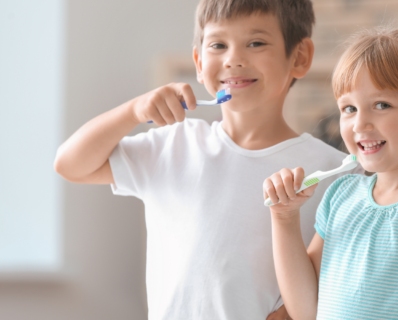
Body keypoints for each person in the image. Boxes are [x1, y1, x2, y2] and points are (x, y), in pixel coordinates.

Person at [54, 0, 361, 319]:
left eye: (255, 43)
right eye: (218, 45)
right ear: (199, 62)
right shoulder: (173, 145)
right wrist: (132, 111)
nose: (234, 59)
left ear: (299, 57)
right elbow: (70, 164)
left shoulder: (333, 172)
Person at [264, 27, 398, 319]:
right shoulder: (340, 197)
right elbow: (306, 312)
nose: (359, 124)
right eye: (349, 108)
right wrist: (284, 217)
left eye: (381, 105)